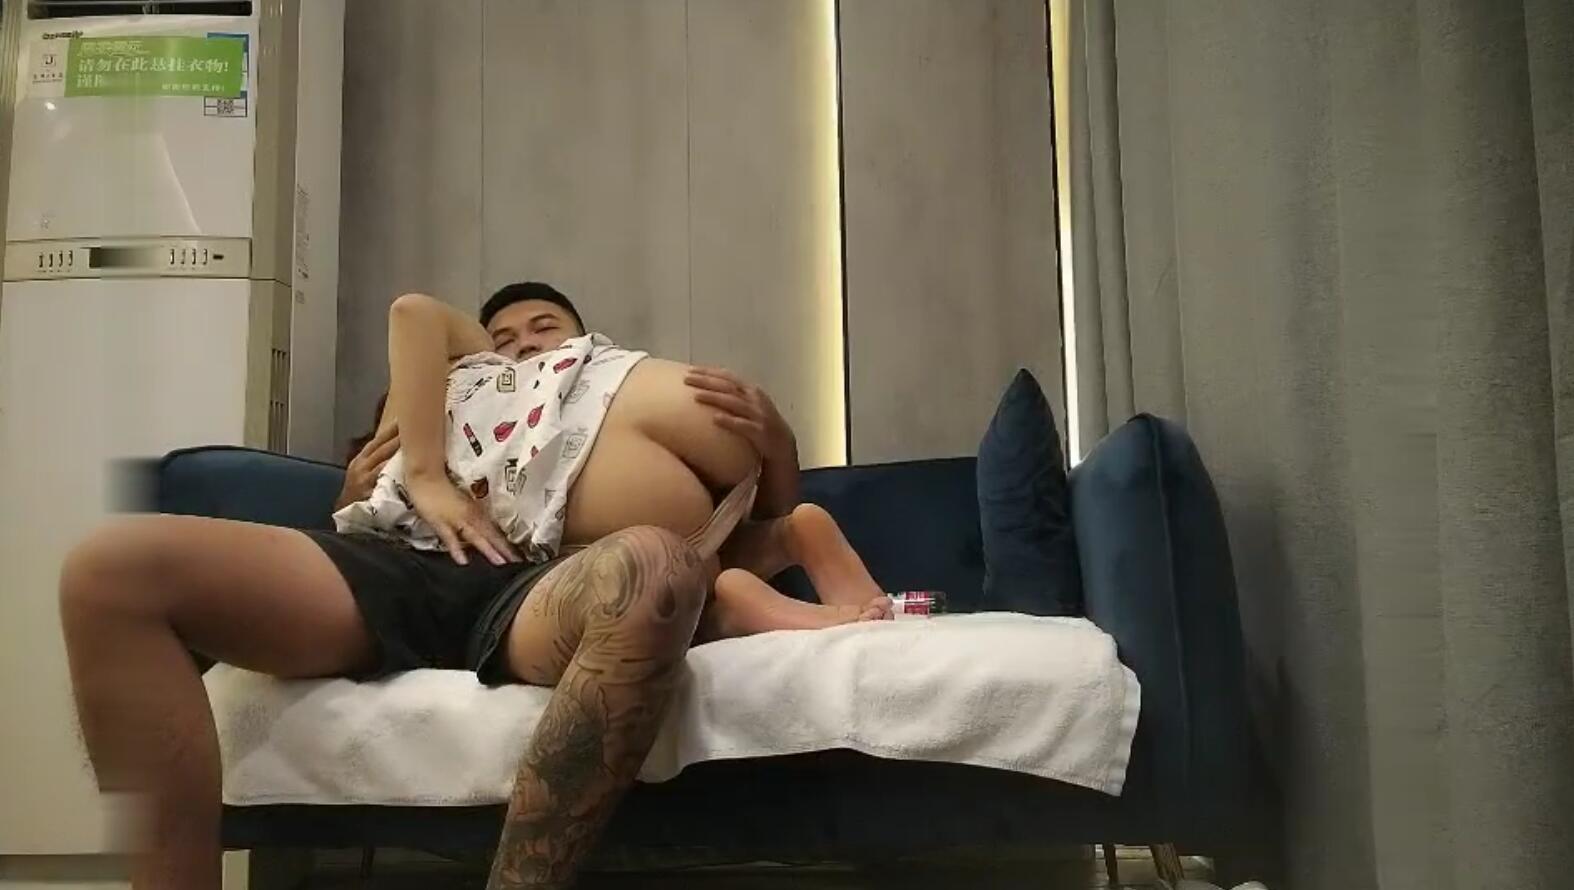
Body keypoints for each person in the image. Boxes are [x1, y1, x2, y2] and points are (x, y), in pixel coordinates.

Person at [57, 280, 886, 890]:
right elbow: (414, 312)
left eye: (545, 328)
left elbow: (756, 526)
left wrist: (776, 445)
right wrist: (419, 473)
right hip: (398, 564)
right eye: (504, 334)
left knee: (657, 569)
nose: (522, 343)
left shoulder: (603, 397)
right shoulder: (451, 382)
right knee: (110, 572)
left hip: (544, 584)